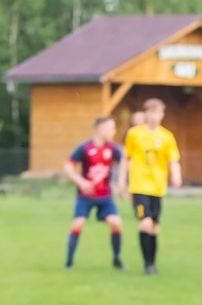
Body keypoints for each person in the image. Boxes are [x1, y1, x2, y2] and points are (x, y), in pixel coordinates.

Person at [120, 99, 182, 275]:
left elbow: (173, 159)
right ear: (146, 114)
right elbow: (126, 158)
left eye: (158, 113)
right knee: (145, 223)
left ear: (162, 115)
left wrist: (176, 174)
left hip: (157, 187)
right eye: (152, 112)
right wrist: (122, 182)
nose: (155, 116)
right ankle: (147, 264)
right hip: (139, 186)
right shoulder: (134, 134)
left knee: (154, 226)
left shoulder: (166, 136)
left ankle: (152, 264)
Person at [64, 115, 126, 270]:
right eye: (111, 128)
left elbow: (125, 162)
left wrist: (121, 183)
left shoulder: (113, 149)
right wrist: (81, 182)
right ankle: (69, 262)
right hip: (85, 196)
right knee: (78, 223)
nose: (114, 131)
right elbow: (68, 167)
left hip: (105, 196)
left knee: (116, 223)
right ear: (100, 129)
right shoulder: (85, 148)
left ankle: (117, 260)